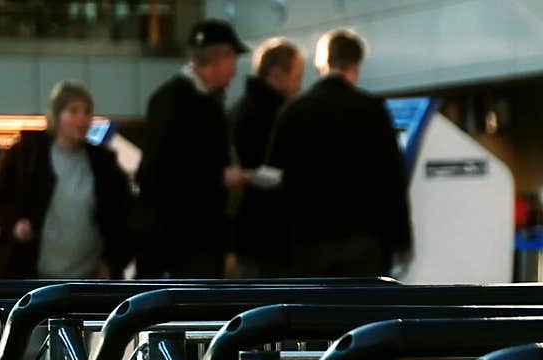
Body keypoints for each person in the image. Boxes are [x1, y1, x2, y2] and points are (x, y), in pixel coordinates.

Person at [266, 28, 412, 277]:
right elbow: (391, 179)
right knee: (363, 312)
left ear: (321, 63)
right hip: (364, 240)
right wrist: (402, 239)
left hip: (308, 240)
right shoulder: (372, 110)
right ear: (356, 64)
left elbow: (274, 177)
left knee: (314, 314)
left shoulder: (294, 110)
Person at [135, 18, 250, 278]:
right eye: (233, 61)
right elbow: (161, 168)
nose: (234, 70)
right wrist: (218, 176)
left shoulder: (197, 98)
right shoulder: (178, 100)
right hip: (180, 242)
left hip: (190, 239)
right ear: (220, 57)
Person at [0, 81, 133, 279]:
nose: (82, 119)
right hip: (33, 273)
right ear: (57, 115)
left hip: (89, 274)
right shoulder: (28, 154)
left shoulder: (102, 162)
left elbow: (123, 215)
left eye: (87, 112)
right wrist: (15, 224)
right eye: (73, 111)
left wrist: (113, 262)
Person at [230, 37, 305, 276]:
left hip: (246, 234)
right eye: (296, 77)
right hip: (270, 237)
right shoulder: (273, 115)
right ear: (276, 74)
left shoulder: (240, 108)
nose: (299, 87)